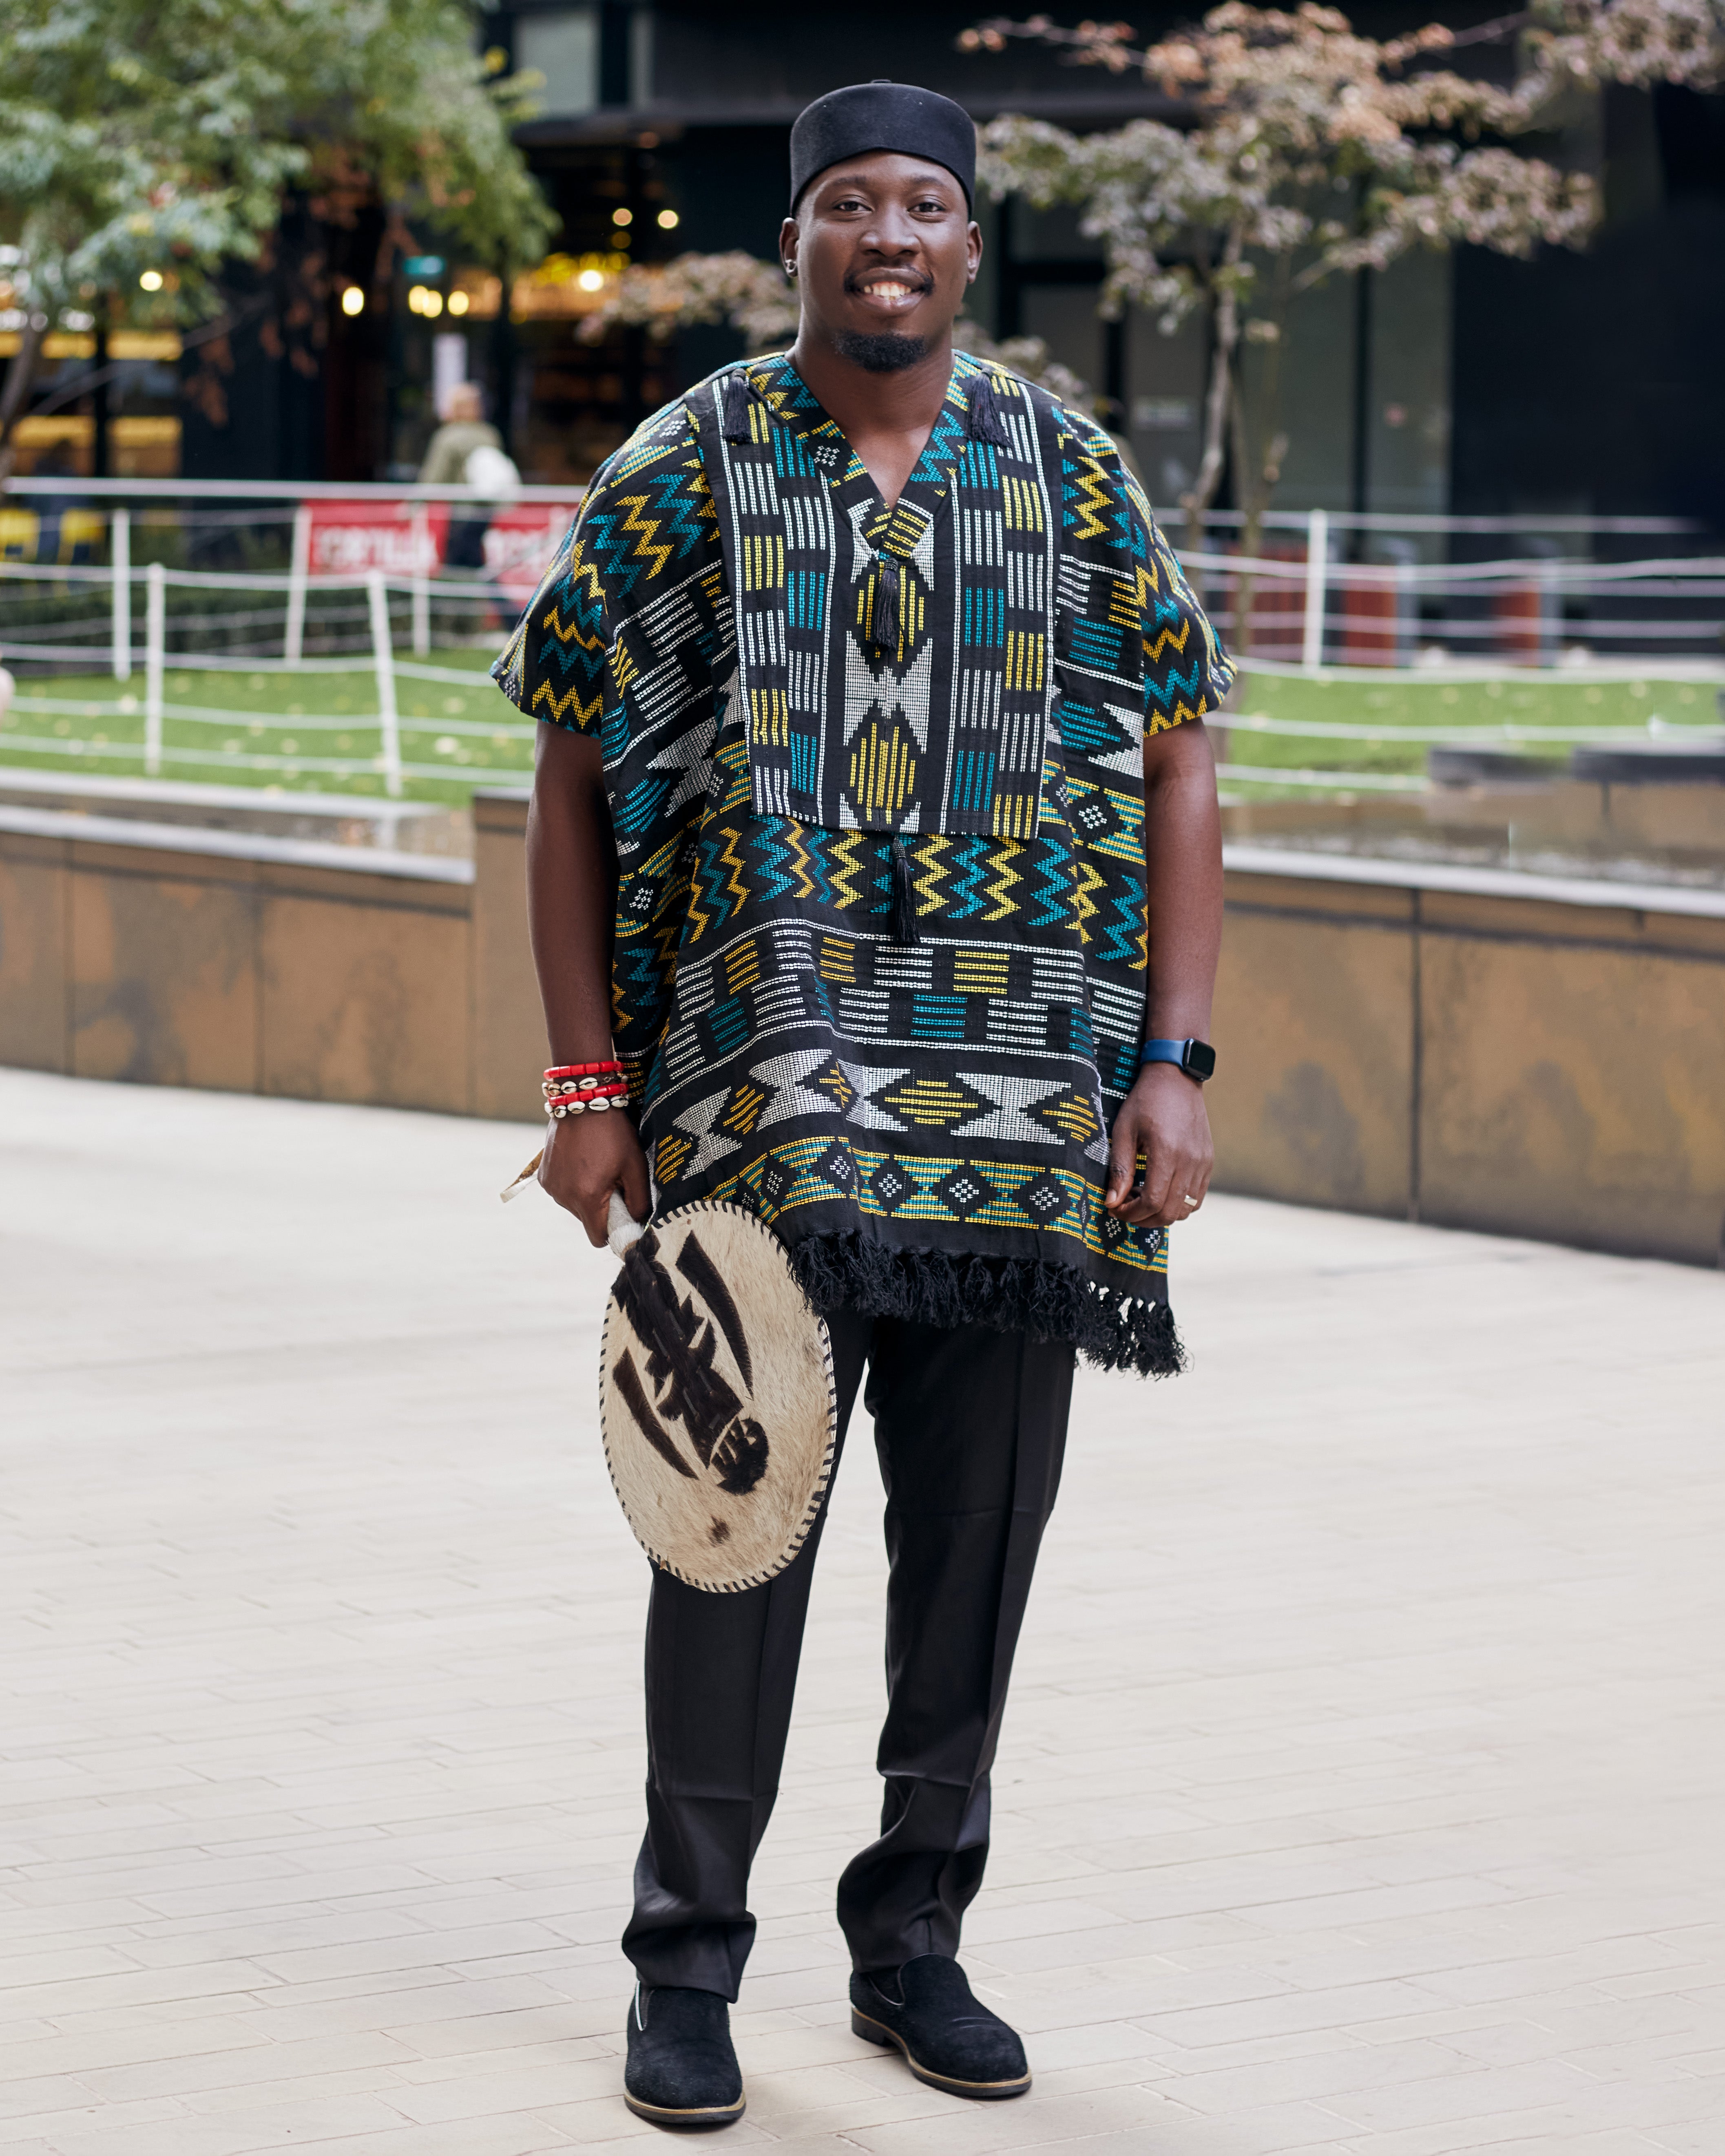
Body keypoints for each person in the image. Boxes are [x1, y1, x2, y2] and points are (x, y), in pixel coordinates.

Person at [493, 79, 1232, 2133]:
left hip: (1030, 1118)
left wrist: (1175, 1058)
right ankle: (687, 1964)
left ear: (968, 243)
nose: (886, 234)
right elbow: (571, 773)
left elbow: (1180, 752)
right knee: (729, 1526)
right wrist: (582, 1081)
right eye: (847, 203)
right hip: (758, 1107)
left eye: (924, 203)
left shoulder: (1067, 468)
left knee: (976, 1550)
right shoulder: (688, 465)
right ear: (797, 234)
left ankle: (913, 1938)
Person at [418, 380, 506, 573]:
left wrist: (414, 504)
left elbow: (434, 478)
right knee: (475, 562)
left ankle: (469, 602)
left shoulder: (448, 436)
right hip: (486, 511)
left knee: (457, 567)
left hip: (461, 512)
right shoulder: (490, 434)